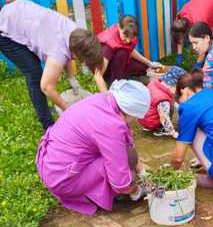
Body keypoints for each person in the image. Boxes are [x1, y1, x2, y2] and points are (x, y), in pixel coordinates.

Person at [35, 79, 150, 214]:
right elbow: (120, 182)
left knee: (126, 155)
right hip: (63, 179)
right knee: (123, 168)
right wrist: (136, 189)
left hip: (52, 165)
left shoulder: (102, 100)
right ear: (130, 112)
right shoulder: (111, 125)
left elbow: (126, 144)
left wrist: (142, 171)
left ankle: (93, 186)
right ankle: (91, 195)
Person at [0, 0, 104, 130]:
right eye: (82, 60)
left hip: (20, 11)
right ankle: (47, 125)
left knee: (36, 66)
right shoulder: (58, 51)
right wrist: (69, 110)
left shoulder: (76, 32)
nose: (82, 62)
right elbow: (47, 88)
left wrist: (71, 76)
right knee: (34, 73)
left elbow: (69, 51)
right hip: (5, 25)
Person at [96, 15, 152, 90]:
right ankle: (116, 84)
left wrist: (149, 63)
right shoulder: (109, 44)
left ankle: (126, 78)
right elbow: (98, 74)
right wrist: (107, 95)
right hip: (109, 71)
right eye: (125, 36)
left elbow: (130, 50)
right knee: (122, 53)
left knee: (146, 69)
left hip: (122, 63)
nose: (128, 41)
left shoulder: (127, 36)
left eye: (131, 38)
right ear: (119, 27)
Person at [138, 66, 185, 138]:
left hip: (142, 118)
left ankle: (149, 126)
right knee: (167, 108)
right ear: (174, 85)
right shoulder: (163, 99)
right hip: (152, 122)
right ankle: (162, 129)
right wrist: (173, 133)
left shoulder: (153, 84)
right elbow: (164, 117)